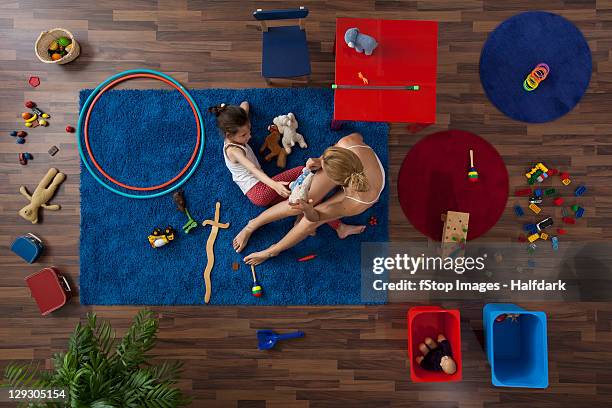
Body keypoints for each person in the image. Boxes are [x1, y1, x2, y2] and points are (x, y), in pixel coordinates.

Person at [233, 132, 385, 265]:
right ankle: (252, 225)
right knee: (296, 200)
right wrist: (320, 160)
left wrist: (308, 209)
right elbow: (359, 136)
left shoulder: (356, 202)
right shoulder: (348, 143)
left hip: (361, 193)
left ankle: (272, 251)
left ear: (339, 182)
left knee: (307, 222)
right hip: (348, 164)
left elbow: (314, 218)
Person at [209, 102, 303, 207]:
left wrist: (241, 112)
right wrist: (275, 185)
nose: (249, 136)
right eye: (243, 135)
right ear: (229, 135)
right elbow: (252, 168)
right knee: (302, 170)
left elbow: (245, 104)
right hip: (258, 191)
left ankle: (283, 199)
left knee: (296, 194)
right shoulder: (234, 151)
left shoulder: (236, 128)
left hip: (259, 194)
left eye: (249, 129)